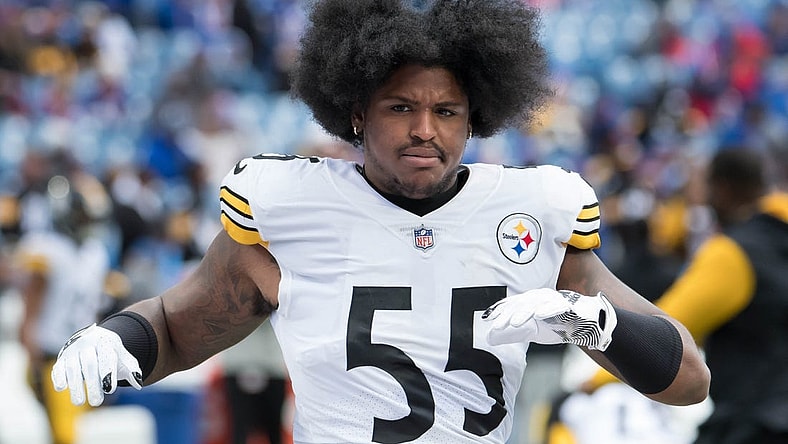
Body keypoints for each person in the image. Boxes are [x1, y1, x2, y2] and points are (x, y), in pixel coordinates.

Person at [49, 1, 710, 443]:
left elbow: (687, 381)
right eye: (400, 107)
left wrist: (596, 322)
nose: (425, 130)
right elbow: (176, 327)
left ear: (477, 115)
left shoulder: (535, 210)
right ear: (356, 110)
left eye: (447, 111)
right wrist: (119, 337)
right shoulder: (290, 208)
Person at [578, 148, 788, 444]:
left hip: (756, 422)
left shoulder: (733, 253)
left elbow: (664, 336)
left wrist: (593, 383)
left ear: (723, 188)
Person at [16, 171, 114, 444]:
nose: (89, 224)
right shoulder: (48, 250)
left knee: (78, 431)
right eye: (84, 217)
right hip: (52, 357)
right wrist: (32, 356)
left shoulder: (96, 253)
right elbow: (30, 310)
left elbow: (93, 308)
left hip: (86, 357)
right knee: (65, 435)